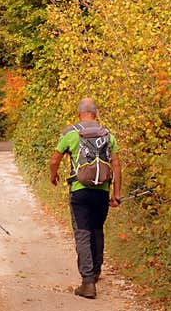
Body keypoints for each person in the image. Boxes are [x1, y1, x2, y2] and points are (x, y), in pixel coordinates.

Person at [49, 97, 122, 299]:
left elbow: (55, 159)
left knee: (82, 232)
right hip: (102, 190)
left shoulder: (71, 133)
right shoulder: (108, 135)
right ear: (95, 113)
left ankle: (88, 281)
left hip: (80, 190)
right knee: (97, 229)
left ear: (79, 112)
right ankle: (96, 271)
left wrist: (53, 176)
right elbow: (116, 165)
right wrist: (116, 194)